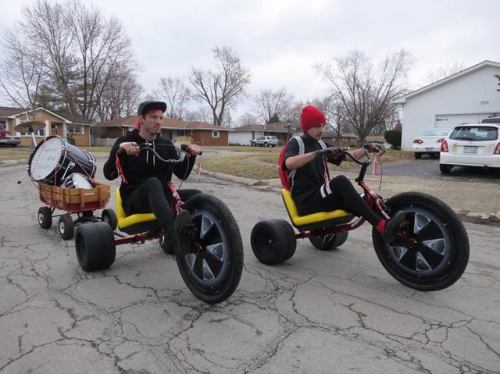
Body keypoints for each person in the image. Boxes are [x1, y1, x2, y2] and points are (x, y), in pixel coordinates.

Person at [282, 105, 405, 240]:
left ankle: (395, 226)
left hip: (323, 197)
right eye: (317, 126)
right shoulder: (297, 143)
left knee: (367, 198)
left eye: (323, 125)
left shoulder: (321, 144)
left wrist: (367, 149)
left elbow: (347, 155)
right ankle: (381, 226)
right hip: (307, 201)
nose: (322, 130)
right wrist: (318, 153)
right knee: (340, 181)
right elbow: (289, 163)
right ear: (307, 126)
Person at [103, 101, 202, 251]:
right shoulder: (125, 142)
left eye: (161, 118)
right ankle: (173, 236)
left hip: (162, 198)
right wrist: (119, 151)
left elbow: (182, 174)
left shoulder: (166, 145)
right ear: (141, 119)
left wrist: (190, 156)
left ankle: (199, 236)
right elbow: (108, 174)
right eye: (153, 117)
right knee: (153, 183)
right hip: (135, 200)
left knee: (197, 197)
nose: (158, 122)